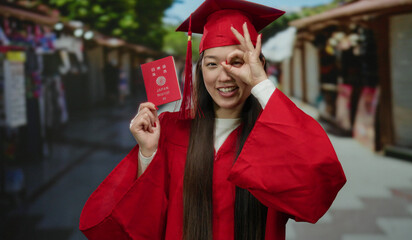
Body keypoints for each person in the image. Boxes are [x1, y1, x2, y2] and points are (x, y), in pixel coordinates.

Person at [79, 0, 346, 239]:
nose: (224, 76)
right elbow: (139, 221)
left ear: (257, 65)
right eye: (212, 64)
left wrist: (261, 85)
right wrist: (148, 154)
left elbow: (319, 184)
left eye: (237, 62)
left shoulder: (276, 136)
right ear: (200, 70)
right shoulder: (172, 130)